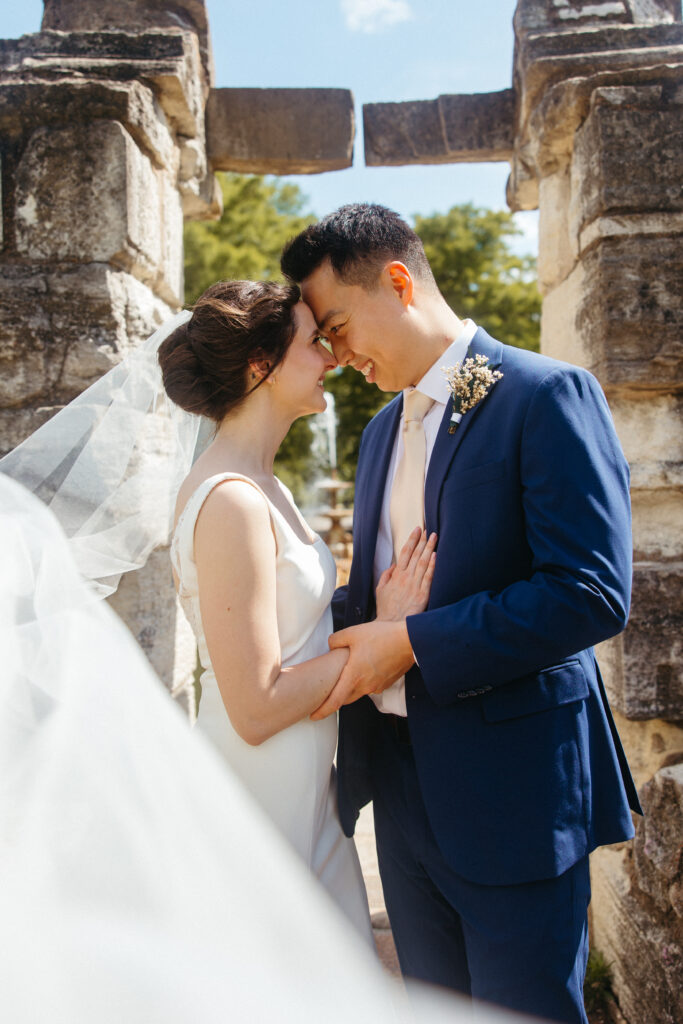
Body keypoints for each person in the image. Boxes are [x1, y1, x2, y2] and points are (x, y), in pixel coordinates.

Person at [280, 203, 642, 1024]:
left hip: (512, 792)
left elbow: (588, 590)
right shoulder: (377, 432)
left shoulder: (545, 395)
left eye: (336, 326)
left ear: (398, 282)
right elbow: (370, 595)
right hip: (400, 796)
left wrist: (409, 641)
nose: (334, 356)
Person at [156, 279, 436, 940]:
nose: (332, 355)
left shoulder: (264, 485)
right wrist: (385, 638)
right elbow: (255, 706)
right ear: (262, 365)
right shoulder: (232, 501)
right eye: (314, 342)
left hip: (309, 788)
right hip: (261, 793)